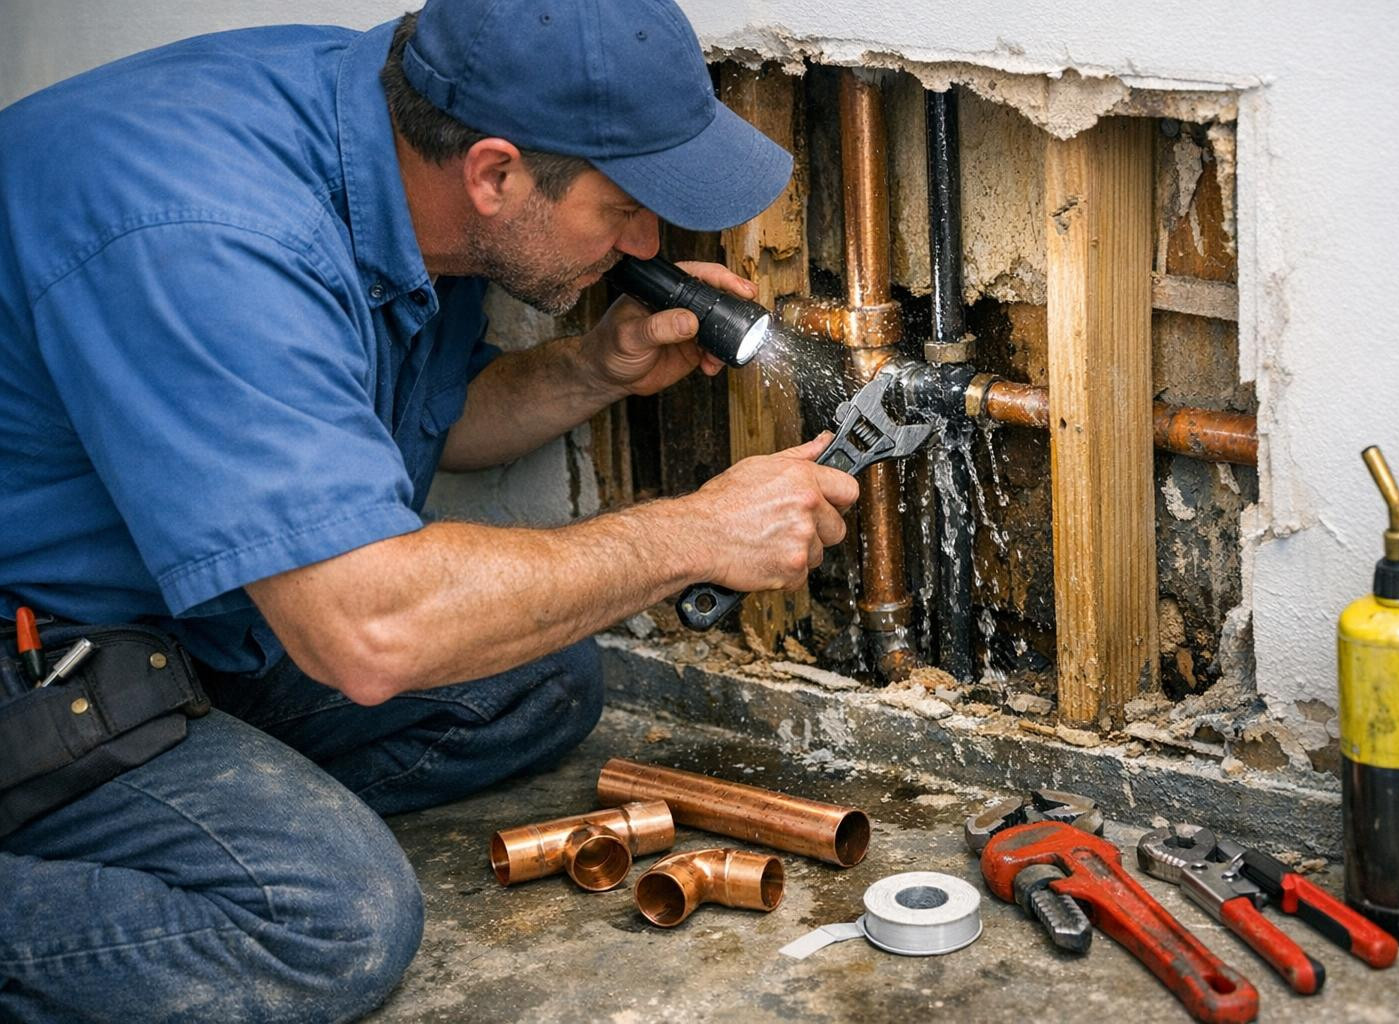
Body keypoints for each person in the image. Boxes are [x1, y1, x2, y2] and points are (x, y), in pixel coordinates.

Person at [0, 0, 858, 1019]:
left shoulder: (403, 144)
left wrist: (592, 368)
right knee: (332, 920)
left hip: (180, 623)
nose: (647, 243)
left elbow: (414, 423)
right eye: (623, 207)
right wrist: (696, 532)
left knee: (536, 682)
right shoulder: (212, 234)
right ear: (494, 174)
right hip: (36, 649)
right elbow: (371, 632)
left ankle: (184, 782)